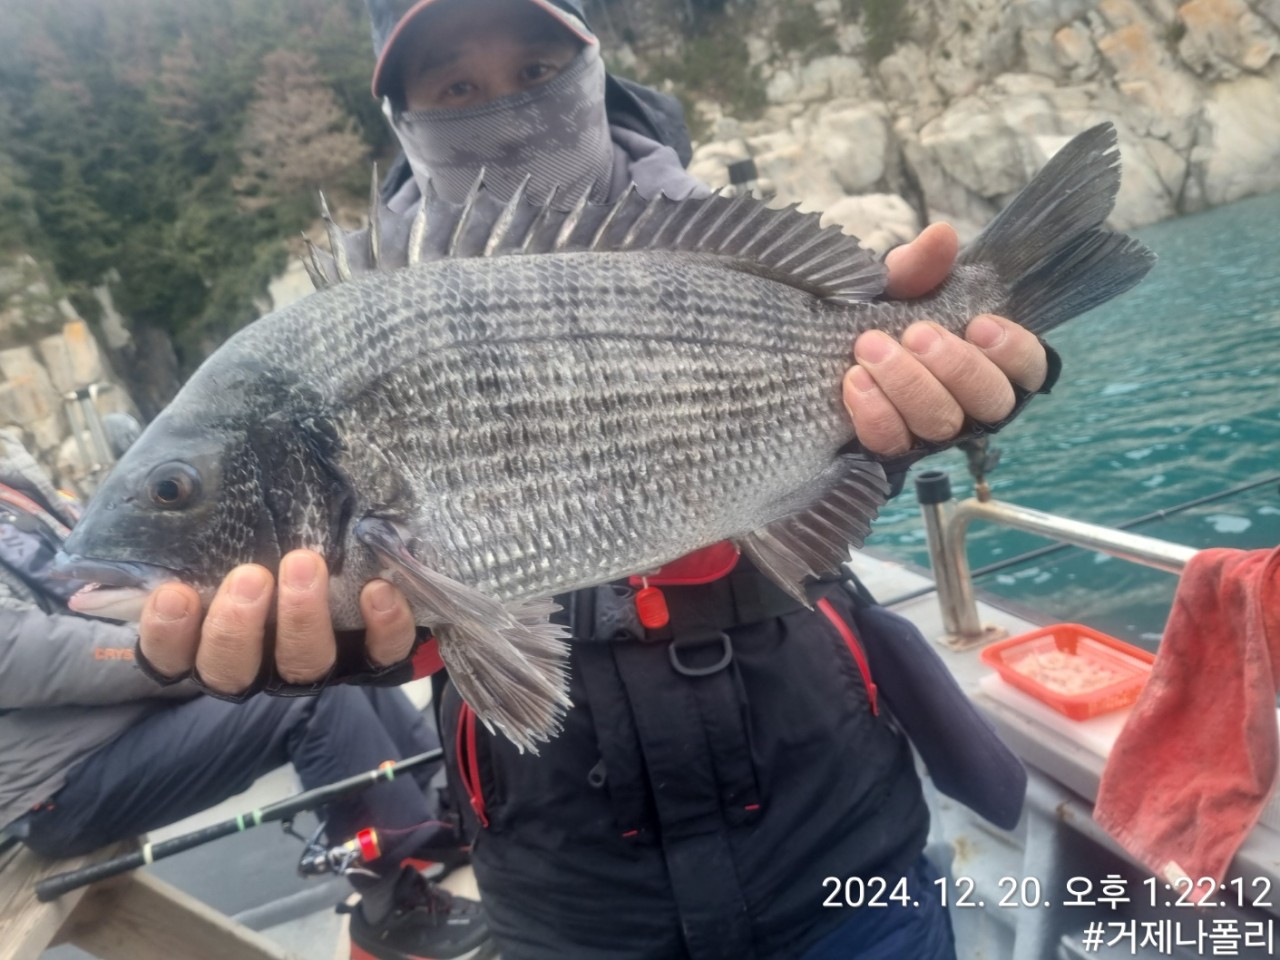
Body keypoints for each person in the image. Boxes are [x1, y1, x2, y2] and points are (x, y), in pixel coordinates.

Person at [132, 2, 1057, 957]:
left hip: (837, 847)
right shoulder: (348, 329)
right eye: (456, 86)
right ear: (402, 119)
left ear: (592, 68)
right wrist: (346, 648)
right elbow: (451, 635)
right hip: (571, 902)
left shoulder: (716, 244)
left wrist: (939, 398)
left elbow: (830, 483)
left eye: (534, 71)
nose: (504, 108)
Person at [0, 426, 493, 960]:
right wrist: (178, 655)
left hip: (132, 722)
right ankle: (392, 906)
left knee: (338, 660)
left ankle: (437, 821)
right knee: (308, 697)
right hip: (58, 786)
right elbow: (18, 655)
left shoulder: (15, 483)